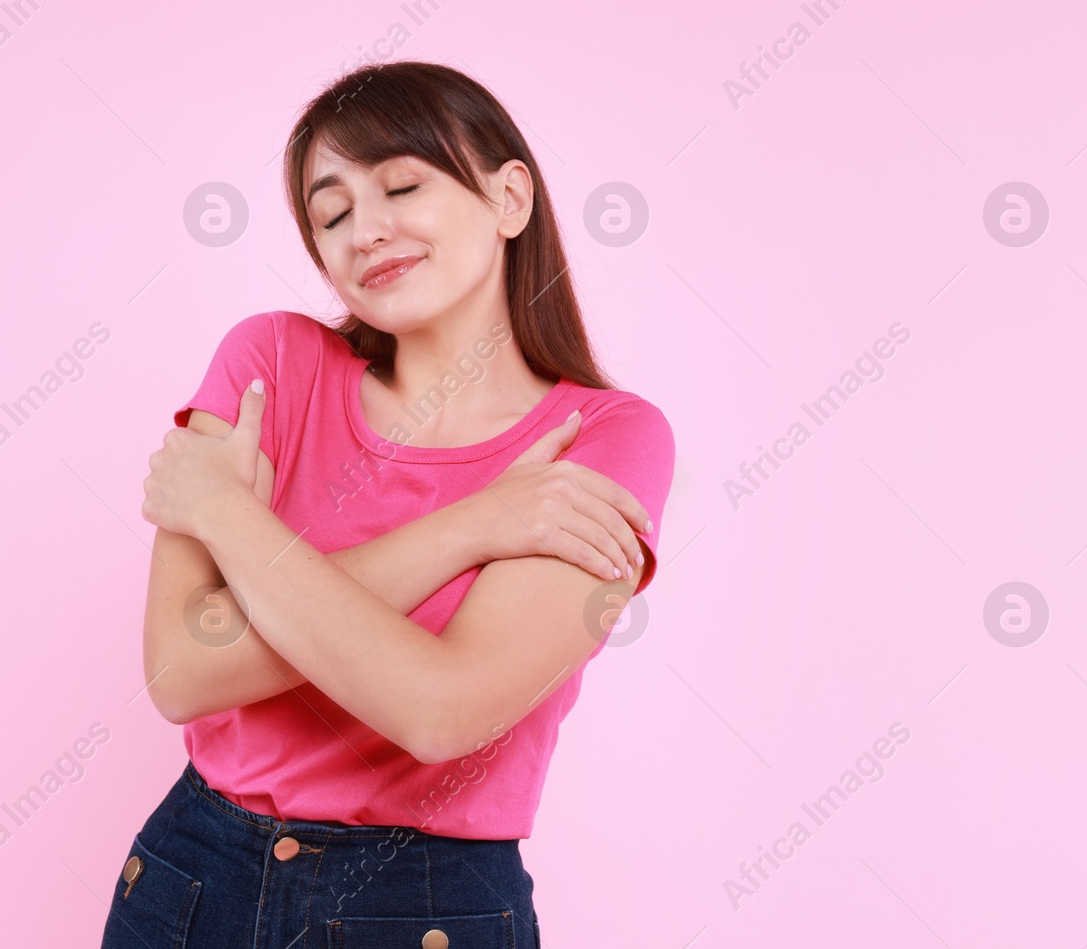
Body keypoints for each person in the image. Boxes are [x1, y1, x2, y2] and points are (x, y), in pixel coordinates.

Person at [100, 60, 675, 949]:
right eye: (331, 214)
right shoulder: (270, 362)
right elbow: (181, 668)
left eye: (402, 184)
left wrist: (228, 514)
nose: (365, 230)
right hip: (193, 877)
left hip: (423, 909)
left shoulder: (607, 436)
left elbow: (441, 712)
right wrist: (476, 526)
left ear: (509, 196)